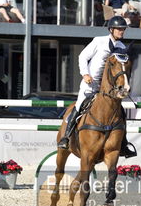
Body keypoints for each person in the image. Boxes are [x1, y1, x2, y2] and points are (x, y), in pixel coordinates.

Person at [57, 16, 136, 158]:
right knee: (79, 106)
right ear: (111, 29)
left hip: (109, 90)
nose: (121, 31)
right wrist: (85, 74)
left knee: (121, 113)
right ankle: (66, 137)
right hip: (91, 84)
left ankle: (123, 144)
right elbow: (82, 56)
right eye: (119, 29)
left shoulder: (122, 48)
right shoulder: (99, 41)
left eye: (123, 29)